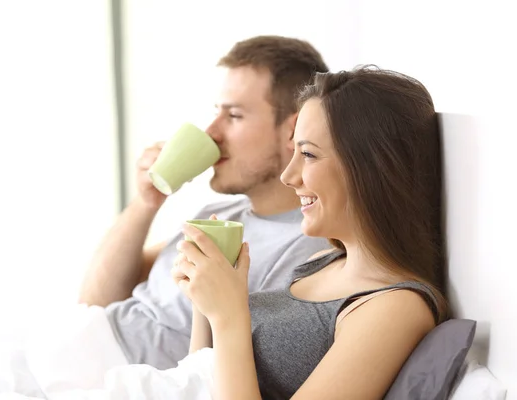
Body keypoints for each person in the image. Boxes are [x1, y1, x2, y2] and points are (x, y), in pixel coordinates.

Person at [88, 65, 448, 400]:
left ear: (370, 169)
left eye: (307, 154)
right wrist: (205, 304)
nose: (289, 176)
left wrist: (229, 316)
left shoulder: (395, 307)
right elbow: (203, 378)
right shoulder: (321, 261)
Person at [78, 35, 332, 369]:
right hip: (79, 349)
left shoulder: (308, 246)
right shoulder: (217, 216)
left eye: (235, 115)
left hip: (112, 377)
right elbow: (94, 302)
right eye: (217, 113)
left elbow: (226, 369)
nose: (211, 131)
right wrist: (146, 202)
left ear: (294, 129)